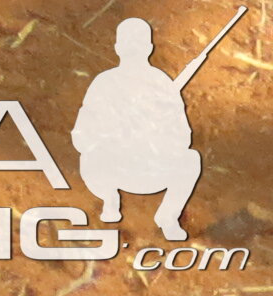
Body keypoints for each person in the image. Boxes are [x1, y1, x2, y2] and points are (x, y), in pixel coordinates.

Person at [73, 16, 204, 241]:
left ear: (148, 48)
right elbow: (81, 135)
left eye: (137, 43)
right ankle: (110, 199)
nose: (133, 48)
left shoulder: (162, 85)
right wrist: (113, 133)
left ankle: (168, 216)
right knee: (90, 157)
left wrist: (156, 127)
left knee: (191, 159)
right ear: (118, 47)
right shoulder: (104, 83)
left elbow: (183, 139)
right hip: (111, 170)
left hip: (151, 170)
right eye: (129, 43)